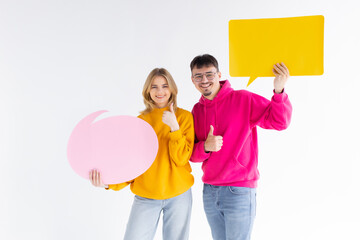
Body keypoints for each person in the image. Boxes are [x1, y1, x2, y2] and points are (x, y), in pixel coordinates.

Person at [189, 54, 292, 240]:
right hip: (210, 191)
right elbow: (192, 155)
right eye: (198, 76)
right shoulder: (197, 110)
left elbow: (279, 122)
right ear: (192, 80)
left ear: (219, 74)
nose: (204, 80)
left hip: (238, 190)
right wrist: (206, 147)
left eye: (209, 75)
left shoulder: (243, 99)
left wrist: (279, 91)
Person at [89, 68, 195, 240]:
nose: (160, 91)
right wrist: (108, 183)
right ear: (148, 90)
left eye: (164, 86)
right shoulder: (140, 122)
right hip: (146, 196)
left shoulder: (184, 117)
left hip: (179, 195)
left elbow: (181, 158)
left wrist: (174, 127)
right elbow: (132, 164)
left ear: (172, 89)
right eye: (154, 86)